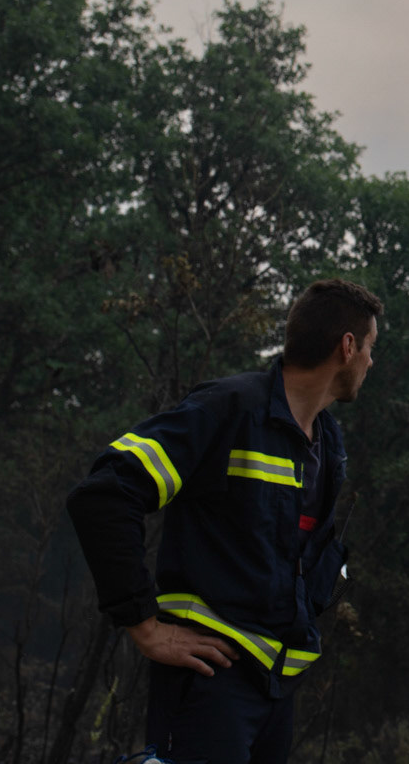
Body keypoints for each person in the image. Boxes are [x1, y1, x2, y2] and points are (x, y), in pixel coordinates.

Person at [67, 278, 383, 764]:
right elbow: (105, 496)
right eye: (370, 348)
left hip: (276, 689)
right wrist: (145, 626)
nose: (370, 362)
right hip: (210, 681)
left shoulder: (328, 444)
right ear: (347, 347)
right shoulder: (230, 408)